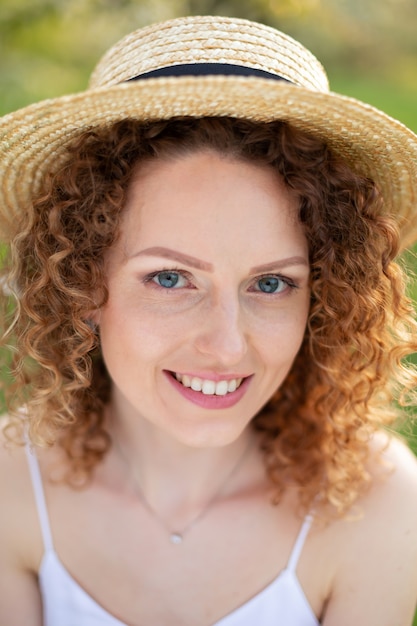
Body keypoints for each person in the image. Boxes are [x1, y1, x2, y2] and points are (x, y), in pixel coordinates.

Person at [0, 14, 417, 626]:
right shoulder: (11, 485)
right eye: (170, 278)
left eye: (271, 284)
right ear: (85, 283)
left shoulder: (378, 504)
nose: (226, 347)